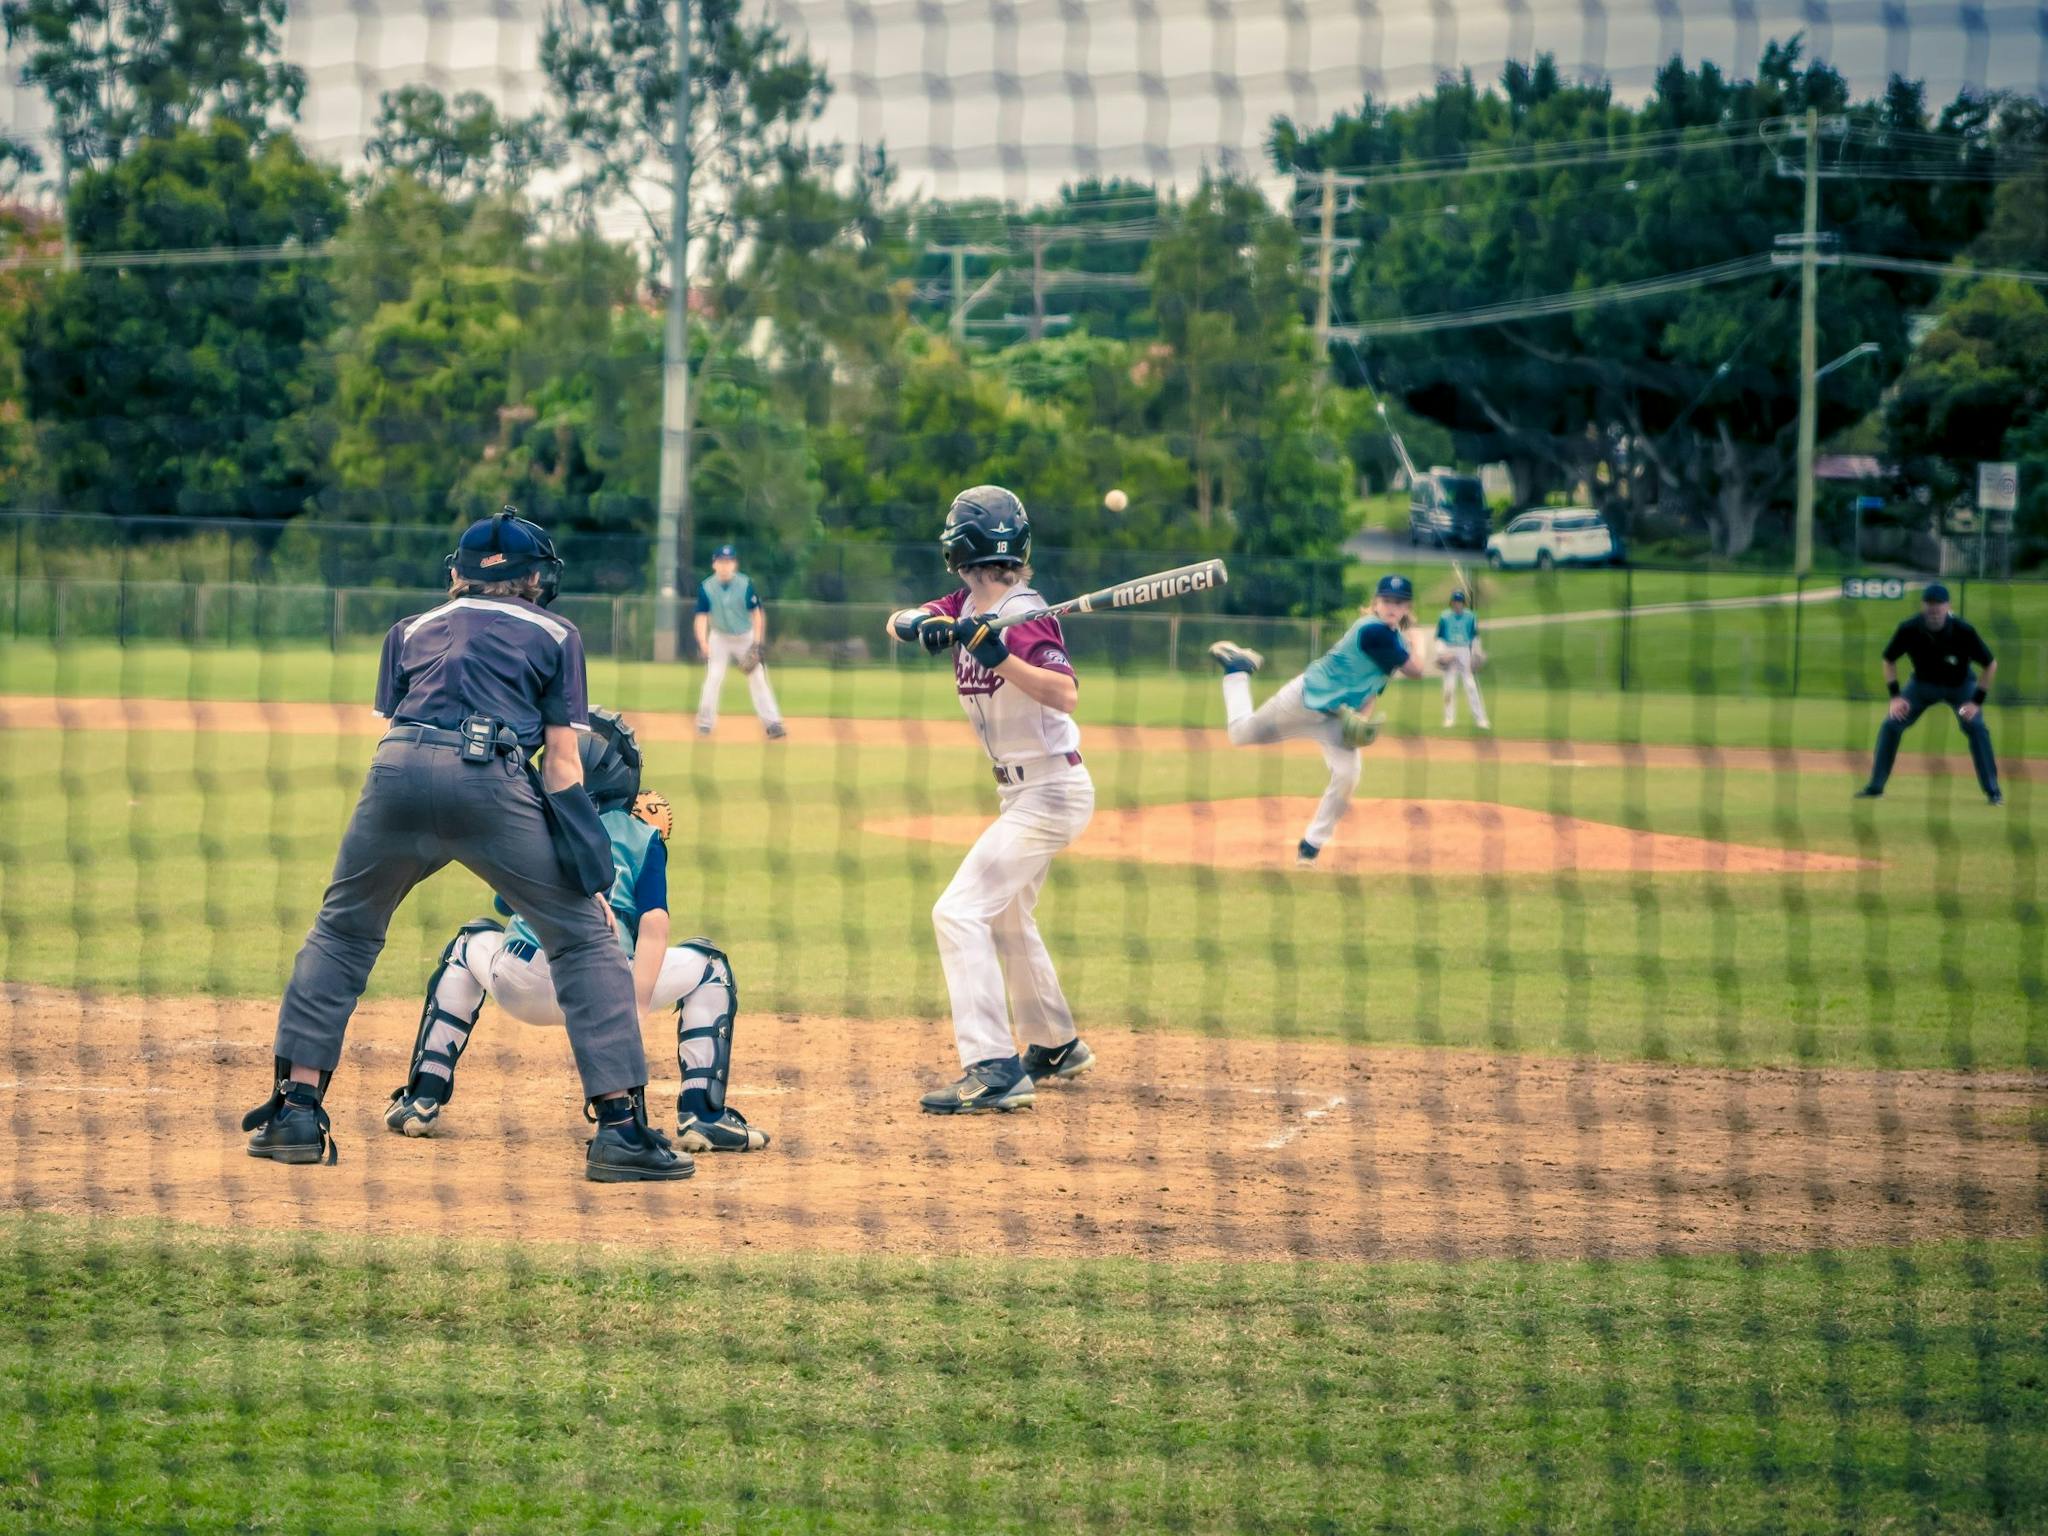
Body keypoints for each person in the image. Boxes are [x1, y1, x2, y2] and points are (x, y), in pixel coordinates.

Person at [244, 508, 690, 1182]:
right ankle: (621, 1131)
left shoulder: (408, 629)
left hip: (394, 769)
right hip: (490, 778)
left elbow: (408, 724)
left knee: (342, 931)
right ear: (536, 578)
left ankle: (295, 1112)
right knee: (582, 938)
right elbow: (563, 767)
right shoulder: (556, 632)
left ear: (457, 574)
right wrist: (593, 882)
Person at [384, 708, 770, 1153]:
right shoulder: (644, 838)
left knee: (471, 940)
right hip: (605, 986)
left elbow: (504, 903)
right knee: (711, 966)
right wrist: (634, 1008)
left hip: (520, 981)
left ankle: (422, 1097)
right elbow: (654, 925)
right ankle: (703, 1114)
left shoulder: (531, 824)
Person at [884, 486, 1096, 1114]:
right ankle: (1055, 1043)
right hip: (1022, 794)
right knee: (1005, 915)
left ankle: (993, 1066)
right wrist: (920, 624)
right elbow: (897, 621)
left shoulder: (1026, 615)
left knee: (957, 912)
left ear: (957, 546)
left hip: (1050, 791)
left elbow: (1064, 694)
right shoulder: (965, 602)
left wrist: (999, 655)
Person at [1208, 574, 1427, 867]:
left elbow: (1372, 689)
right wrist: (1420, 642)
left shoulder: (1394, 641)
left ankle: (1310, 847)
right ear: (1376, 602)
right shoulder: (1375, 631)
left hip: (1334, 718)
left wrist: (1359, 723)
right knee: (1240, 735)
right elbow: (1416, 670)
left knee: (1348, 775)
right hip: (1303, 699)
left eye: (1399, 602)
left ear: (1406, 607)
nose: (1392, 607)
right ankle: (1237, 669)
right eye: (1387, 600)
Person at [1856, 581, 2002, 806]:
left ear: (1947, 606)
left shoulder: (1963, 631)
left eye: (1939, 604)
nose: (1934, 609)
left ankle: (1993, 792)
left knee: (1976, 726)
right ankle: (1875, 787)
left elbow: (1990, 664)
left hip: (1961, 687)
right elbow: (1889, 659)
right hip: (1922, 687)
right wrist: (1896, 697)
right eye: (1929, 604)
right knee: (1891, 724)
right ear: (1923, 606)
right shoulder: (1910, 628)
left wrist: (1976, 702)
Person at [694, 543, 785, 739]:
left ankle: (773, 723)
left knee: (758, 679)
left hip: (745, 636)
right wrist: (703, 642)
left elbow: (757, 614)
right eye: (721, 561)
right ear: (714, 564)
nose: (725, 565)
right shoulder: (707, 587)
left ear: (734, 564)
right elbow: (701, 617)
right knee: (713, 677)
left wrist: (757, 643)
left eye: (729, 561)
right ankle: (705, 723)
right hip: (719, 637)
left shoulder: (745, 584)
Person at [1435, 589, 1491, 730]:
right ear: (1451, 602)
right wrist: (1442, 654)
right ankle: (1449, 719)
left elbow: (1475, 637)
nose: (1457, 604)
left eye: (1460, 602)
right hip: (1449, 649)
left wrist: (1476, 654)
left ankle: (1481, 719)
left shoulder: (1471, 617)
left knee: (1471, 686)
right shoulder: (1444, 617)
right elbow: (1439, 637)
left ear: (1463, 603)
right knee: (1449, 688)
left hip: (1464, 650)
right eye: (1455, 601)